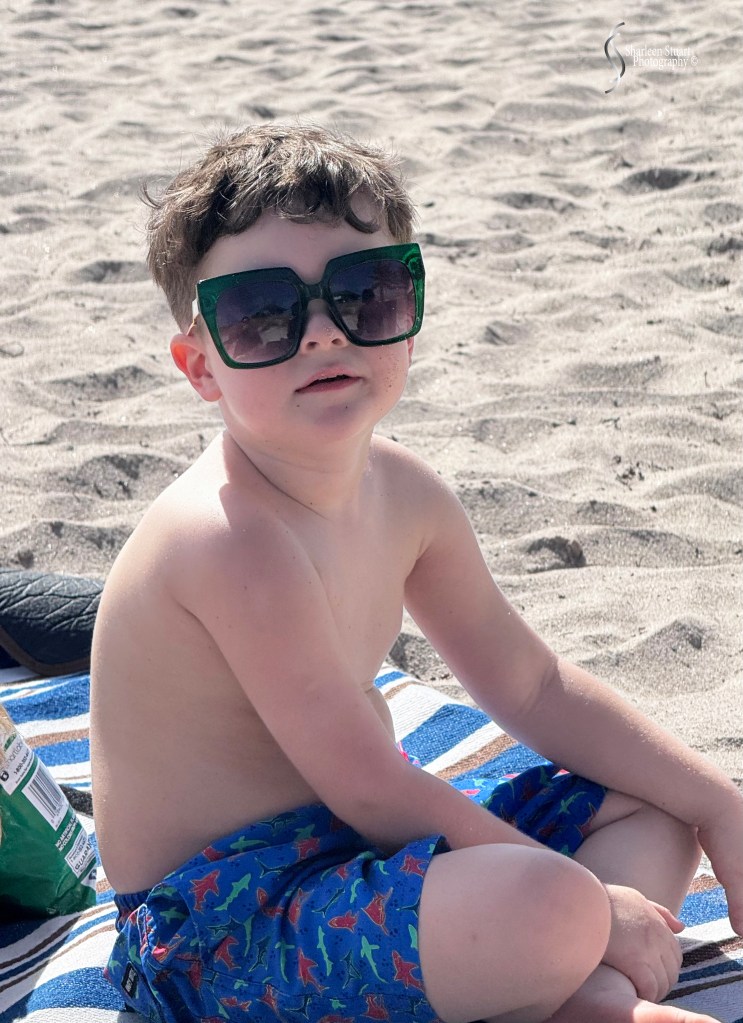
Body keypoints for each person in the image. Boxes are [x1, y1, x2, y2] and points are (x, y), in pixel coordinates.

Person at [90, 122, 742, 1023]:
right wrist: (596, 909)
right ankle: (572, 980)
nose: (322, 333)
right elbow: (369, 785)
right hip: (222, 925)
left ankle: (568, 988)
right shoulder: (227, 535)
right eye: (262, 313)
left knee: (649, 804)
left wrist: (719, 801)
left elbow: (530, 682)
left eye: (364, 294)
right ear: (201, 366)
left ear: (410, 309)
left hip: (359, 857)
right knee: (552, 898)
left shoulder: (402, 491)